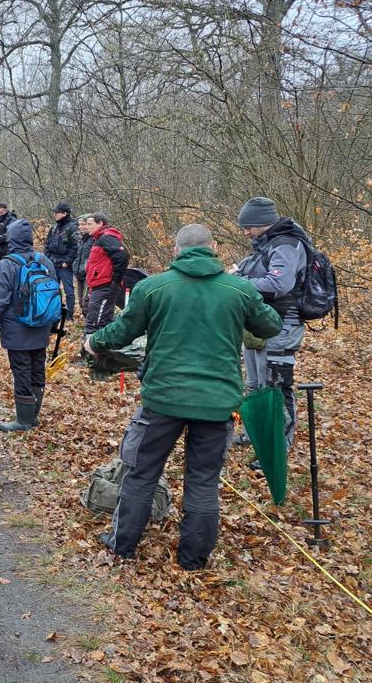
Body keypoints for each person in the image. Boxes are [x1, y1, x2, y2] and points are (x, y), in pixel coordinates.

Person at [85, 224, 281, 569]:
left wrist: (93, 342)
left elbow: (122, 330)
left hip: (162, 400)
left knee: (141, 472)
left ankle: (123, 545)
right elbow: (270, 326)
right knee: (203, 481)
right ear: (214, 247)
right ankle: (193, 559)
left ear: (176, 251)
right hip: (217, 403)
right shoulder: (240, 290)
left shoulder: (153, 288)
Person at [233, 197, 310, 459]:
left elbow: (280, 284)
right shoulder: (264, 244)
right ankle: (256, 434)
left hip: (282, 324)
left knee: (275, 387)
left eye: (248, 226)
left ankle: (279, 446)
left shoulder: (287, 243)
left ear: (263, 222)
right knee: (254, 385)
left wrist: (241, 283)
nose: (245, 232)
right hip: (257, 324)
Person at [0, 219, 56, 432]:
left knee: (22, 370)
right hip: (42, 324)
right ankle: (33, 416)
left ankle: (23, 421)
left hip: (17, 328)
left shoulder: (7, 264)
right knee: (37, 369)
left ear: (12, 239)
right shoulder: (45, 260)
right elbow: (54, 292)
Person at [83, 212, 129, 339]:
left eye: (89, 224)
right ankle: (103, 353)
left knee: (96, 323)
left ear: (100, 223)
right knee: (99, 320)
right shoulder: (98, 239)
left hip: (105, 286)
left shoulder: (106, 238)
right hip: (97, 286)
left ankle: (92, 354)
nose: (87, 227)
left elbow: (123, 256)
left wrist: (115, 281)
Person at [45, 202, 80, 318]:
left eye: (57, 212)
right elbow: (47, 244)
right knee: (53, 289)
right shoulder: (54, 228)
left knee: (69, 291)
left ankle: (69, 314)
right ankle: (56, 311)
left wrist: (67, 262)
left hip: (65, 265)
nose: (54, 214)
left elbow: (76, 247)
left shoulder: (73, 227)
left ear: (64, 213)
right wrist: (48, 259)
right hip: (52, 263)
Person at [72, 215, 92, 317]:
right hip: (79, 272)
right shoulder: (79, 238)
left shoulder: (93, 239)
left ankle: (90, 323)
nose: (81, 227)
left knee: (86, 302)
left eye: (83, 224)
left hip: (88, 274)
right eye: (79, 224)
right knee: (80, 301)